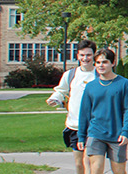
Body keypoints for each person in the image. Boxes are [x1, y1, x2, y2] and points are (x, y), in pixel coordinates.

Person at [78, 48, 128, 174]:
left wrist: (125, 132)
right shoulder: (91, 86)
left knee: (119, 171)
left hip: (117, 135)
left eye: (104, 62)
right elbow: (85, 113)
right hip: (96, 133)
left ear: (113, 63)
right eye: (98, 62)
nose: (100, 65)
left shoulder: (124, 84)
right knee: (96, 169)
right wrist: (81, 136)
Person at [47, 40, 98, 174]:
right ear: (77, 56)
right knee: (79, 164)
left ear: (94, 55)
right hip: (74, 125)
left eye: (88, 55)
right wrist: (55, 99)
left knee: (89, 162)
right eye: (82, 55)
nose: (85, 58)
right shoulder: (70, 75)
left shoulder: (99, 75)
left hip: (94, 126)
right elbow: (61, 91)